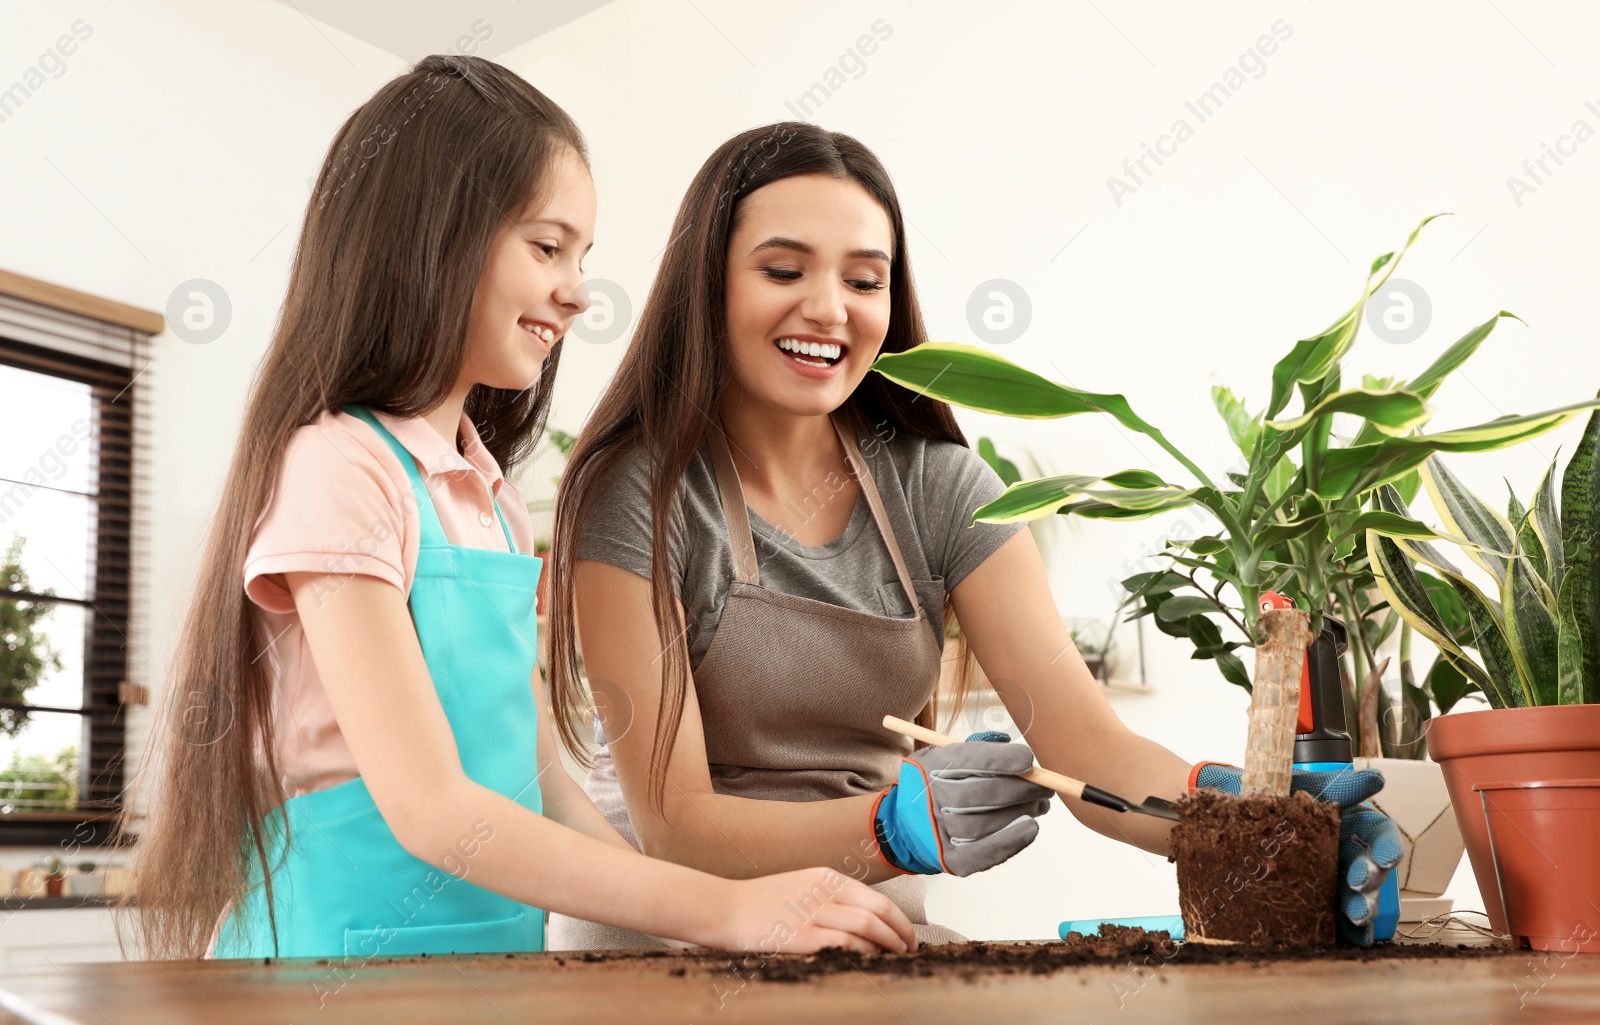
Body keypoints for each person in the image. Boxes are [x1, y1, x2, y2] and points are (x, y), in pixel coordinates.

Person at [122, 61, 915, 962]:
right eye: (547, 248)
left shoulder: (488, 493)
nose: (576, 290)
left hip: (487, 963)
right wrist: (723, 911)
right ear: (430, 239)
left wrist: (687, 932)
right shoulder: (339, 469)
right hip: (330, 966)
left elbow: (550, 784)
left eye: (582, 259)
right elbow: (432, 809)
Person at [544, 122, 1401, 950]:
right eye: (782, 269)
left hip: (861, 941)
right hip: (657, 949)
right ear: (710, 284)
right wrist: (887, 827)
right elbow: (677, 824)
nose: (828, 308)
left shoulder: (937, 489)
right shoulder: (640, 495)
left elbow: (1088, 748)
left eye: (865, 280)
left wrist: (1258, 821)